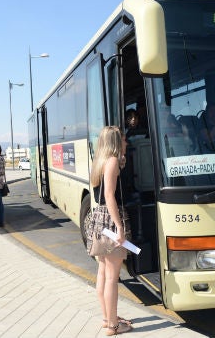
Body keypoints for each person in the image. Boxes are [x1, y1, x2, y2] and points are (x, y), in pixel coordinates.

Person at [89, 126, 133, 336]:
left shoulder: (100, 161)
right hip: (110, 220)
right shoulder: (113, 161)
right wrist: (120, 227)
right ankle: (115, 326)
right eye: (123, 139)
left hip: (99, 220)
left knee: (103, 273)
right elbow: (109, 195)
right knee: (112, 278)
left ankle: (108, 319)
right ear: (116, 141)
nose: (126, 142)